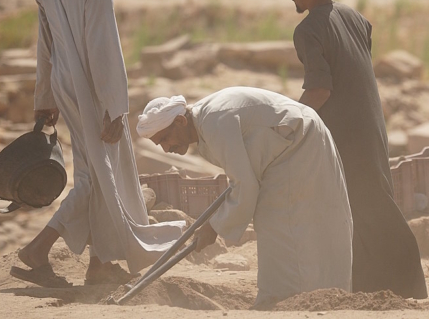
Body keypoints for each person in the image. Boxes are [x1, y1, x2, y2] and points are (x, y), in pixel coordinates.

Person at [11, 0, 185, 288]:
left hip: (64, 85)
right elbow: (104, 50)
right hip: (91, 92)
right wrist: (115, 108)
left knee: (98, 174)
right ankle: (38, 251)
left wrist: (45, 99)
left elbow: (45, 44)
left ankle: (101, 262)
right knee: (97, 176)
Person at [277, 0, 428, 299]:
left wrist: (286, 123)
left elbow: (319, 90)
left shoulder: (308, 30)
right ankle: (369, 288)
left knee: (372, 209)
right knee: (358, 212)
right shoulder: (356, 17)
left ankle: (410, 286)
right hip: (371, 128)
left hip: (346, 137)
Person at [136, 87, 353, 307]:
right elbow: (242, 178)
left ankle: (291, 301)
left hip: (299, 143)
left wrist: (214, 227)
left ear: (181, 122)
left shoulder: (213, 122)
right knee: (282, 223)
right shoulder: (205, 122)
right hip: (289, 147)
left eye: (165, 138)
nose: (165, 148)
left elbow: (245, 187)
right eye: (159, 144)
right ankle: (290, 298)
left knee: (280, 221)